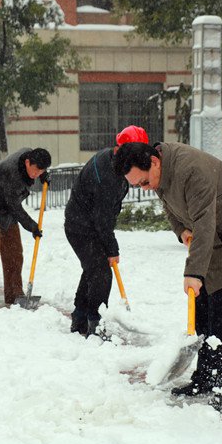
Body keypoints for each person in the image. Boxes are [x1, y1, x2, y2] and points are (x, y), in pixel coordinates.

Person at [112, 141, 222, 412]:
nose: (145, 188)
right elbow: (170, 207)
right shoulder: (160, 173)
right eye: (138, 185)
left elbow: (204, 221)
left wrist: (194, 272)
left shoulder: (191, 170)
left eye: (143, 182)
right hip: (216, 244)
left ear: (154, 161)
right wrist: (181, 231)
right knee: (202, 314)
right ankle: (204, 377)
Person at [64, 125, 149, 338]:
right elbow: (102, 218)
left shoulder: (116, 162)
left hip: (90, 224)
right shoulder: (108, 174)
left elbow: (106, 213)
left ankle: (80, 317)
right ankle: (95, 321)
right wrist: (112, 248)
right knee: (101, 272)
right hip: (80, 227)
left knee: (93, 269)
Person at [0, 147, 51, 308]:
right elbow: (15, 207)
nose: (36, 174)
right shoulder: (11, 173)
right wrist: (32, 226)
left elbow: (12, 207)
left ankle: (14, 294)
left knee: (15, 252)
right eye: (36, 170)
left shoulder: (29, 155)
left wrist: (43, 174)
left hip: (7, 212)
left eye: (41, 171)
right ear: (28, 162)